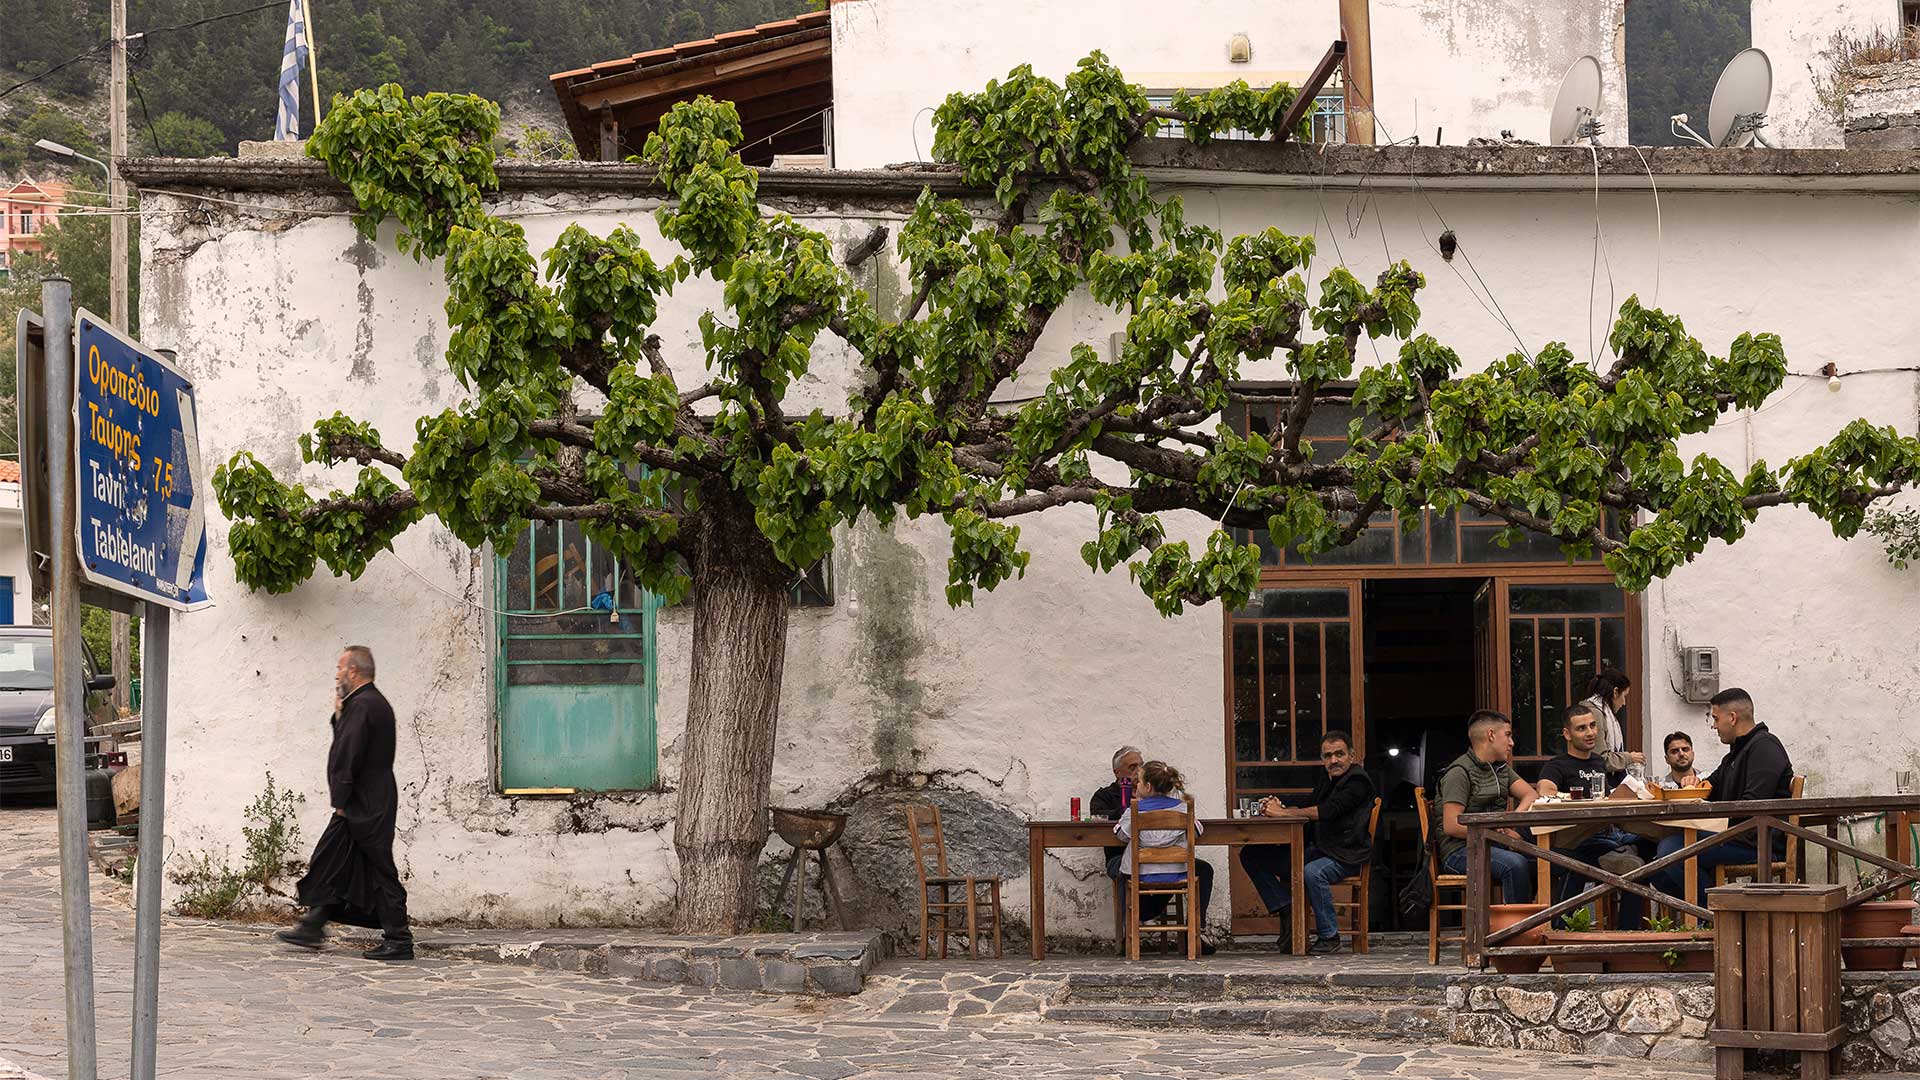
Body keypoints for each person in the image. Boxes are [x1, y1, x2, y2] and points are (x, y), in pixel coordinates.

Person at [276, 646, 413, 960]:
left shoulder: (364, 705)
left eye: (340, 667)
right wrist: (339, 714)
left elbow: (347, 754)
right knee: (333, 860)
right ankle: (313, 925)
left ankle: (399, 939)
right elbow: (348, 742)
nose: (336, 673)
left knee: (377, 868)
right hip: (368, 798)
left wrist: (341, 800)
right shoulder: (367, 703)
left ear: (353, 671)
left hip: (363, 802)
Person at [1651, 688, 1794, 907]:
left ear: (1733, 718)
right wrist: (1692, 785)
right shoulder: (1735, 753)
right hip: (1735, 835)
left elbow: (1752, 805)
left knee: (1671, 851)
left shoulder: (1765, 747)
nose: (1714, 725)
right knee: (1658, 870)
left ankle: (1717, 914)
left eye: (1716, 718)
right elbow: (1710, 787)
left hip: (1757, 842)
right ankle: (1710, 912)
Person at [1239, 730, 1377, 955]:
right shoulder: (1328, 779)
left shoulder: (1358, 781)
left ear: (1352, 756)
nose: (1333, 760)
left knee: (1312, 872)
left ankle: (1329, 936)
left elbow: (1328, 811)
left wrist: (1282, 815)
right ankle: (1285, 906)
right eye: (1328, 755)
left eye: (1339, 754)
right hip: (1319, 849)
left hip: (1346, 854)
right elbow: (1307, 803)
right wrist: (1279, 805)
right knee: (1251, 855)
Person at [1534, 702, 1645, 928]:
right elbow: (1545, 791)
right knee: (1576, 864)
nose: (1590, 732)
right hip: (1574, 842)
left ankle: (1627, 933)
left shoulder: (1598, 762)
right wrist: (1577, 800)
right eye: (1582, 728)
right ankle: (1559, 930)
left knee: (1652, 854)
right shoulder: (1557, 765)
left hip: (1608, 838)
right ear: (1567, 733)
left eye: (1593, 726)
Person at [1113, 759, 1216, 955]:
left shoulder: (1135, 809)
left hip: (1142, 874)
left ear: (1148, 786)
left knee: (1122, 872)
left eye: (1140, 782)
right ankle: (1195, 931)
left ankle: (1132, 930)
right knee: (1202, 869)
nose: (1137, 785)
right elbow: (1196, 832)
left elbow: (1120, 834)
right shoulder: (1184, 808)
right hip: (1176, 873)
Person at [1437, 709, 1537, 902]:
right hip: (1459, 851)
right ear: (1491, 735)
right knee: (1515, 864)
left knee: (1549, 861)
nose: (1511, 743)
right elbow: (1451, 825)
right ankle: (1515, 930)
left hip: (1493, 844)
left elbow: (1530, 794)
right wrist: (1496, 834)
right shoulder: (1459, 772)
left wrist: (1510, 824)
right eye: (1507, 735)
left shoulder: (1501, 769)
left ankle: (1552, 923)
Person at [1091, 745, 1145, 880]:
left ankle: (1152, 902)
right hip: (1119, 855)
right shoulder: (1104, 796)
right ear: (1117, 772)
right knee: (1124, 870)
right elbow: (1097, 818)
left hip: (1156, 854)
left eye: (1141, 766)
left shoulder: (1153, 792)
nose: (1139, 772)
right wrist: (1126, 807)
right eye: (1132, 768)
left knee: (1203, 869)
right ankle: (1131, 902)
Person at [1577, 668, 1644, 775]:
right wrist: (1629, 758)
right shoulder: (1595, 714)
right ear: (1615, 692)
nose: (1624, 703)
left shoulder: (1601, 712)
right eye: (1624, 696)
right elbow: (1600, 758)